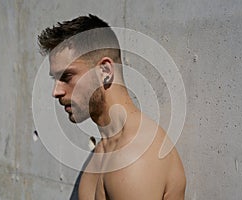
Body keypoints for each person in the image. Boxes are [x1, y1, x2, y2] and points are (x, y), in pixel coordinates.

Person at [38, 14, 186, 200]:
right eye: (55, 79)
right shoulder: (103, 149)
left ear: (105, 71)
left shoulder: (134, 158)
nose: (56, 91)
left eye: (66, 77)